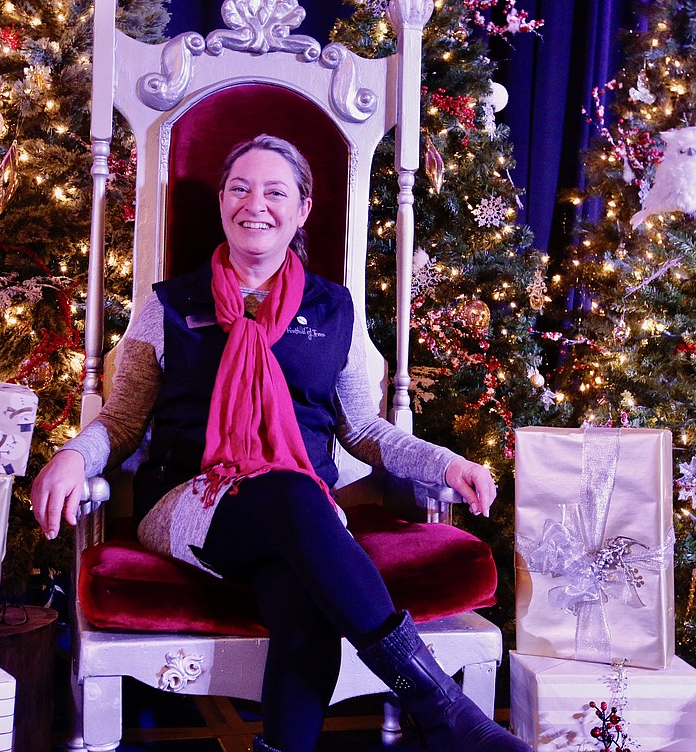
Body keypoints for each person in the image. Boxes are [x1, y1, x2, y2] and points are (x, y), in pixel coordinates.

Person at [31, 134, 530, 752]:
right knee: (294, 498)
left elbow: (363, 429)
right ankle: (437, 704)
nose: (255, 203)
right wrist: (74, 454)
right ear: (221, 202)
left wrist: (446, 462)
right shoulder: (168, 307)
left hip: (301, 510)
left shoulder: (335, 310)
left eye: (275, 190)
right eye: (240, 188)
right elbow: (123, 418)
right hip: (190, 504)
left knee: (304, 603)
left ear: (302, 209)